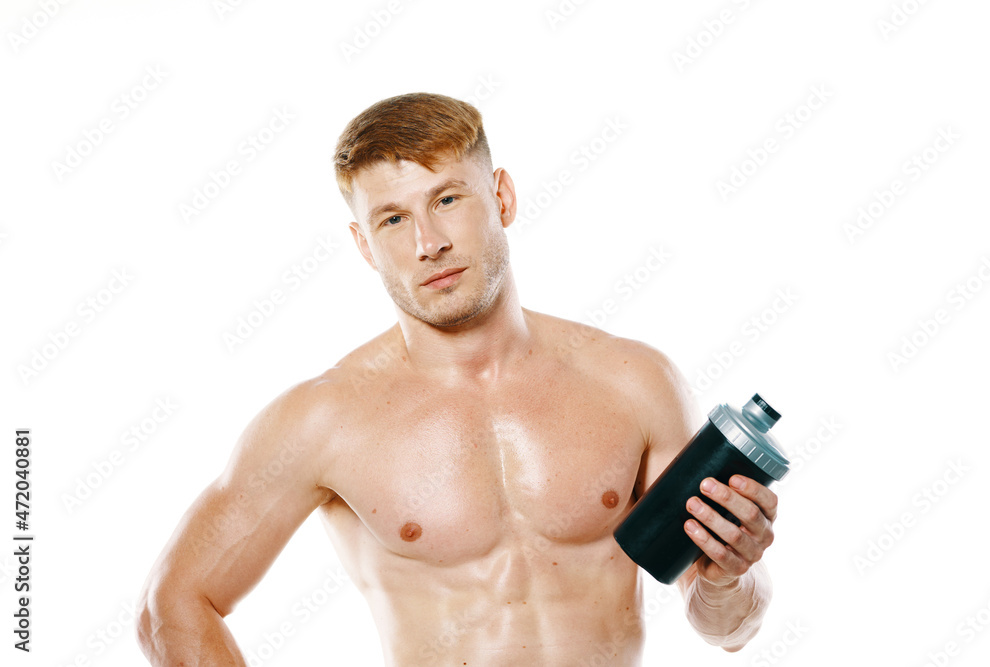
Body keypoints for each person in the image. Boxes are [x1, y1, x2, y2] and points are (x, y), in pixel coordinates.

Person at [135, 92, 779, 666]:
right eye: (393, 219)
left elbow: (726, 628)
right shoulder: (322, 419)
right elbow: (175, 603)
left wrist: (728, 578)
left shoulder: (634, 382)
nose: (427, 242)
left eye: (447, 199)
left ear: (501, 196)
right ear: (364, 245)